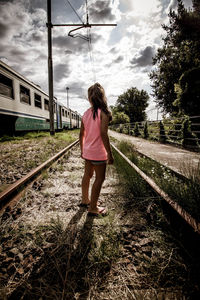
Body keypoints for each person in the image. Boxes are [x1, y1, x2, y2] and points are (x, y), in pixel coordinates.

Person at [79, 82, 114, 216]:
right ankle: (93, 207)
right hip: (99, 153)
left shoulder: (86, 114)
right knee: (99, 178)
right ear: (102, 97)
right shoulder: (103, 113)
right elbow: (103, 134)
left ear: (90, 98)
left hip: (88, 152)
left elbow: (81, 134)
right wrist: (110, 154)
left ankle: (85, 199)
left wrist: (83, 150)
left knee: (87, 175)